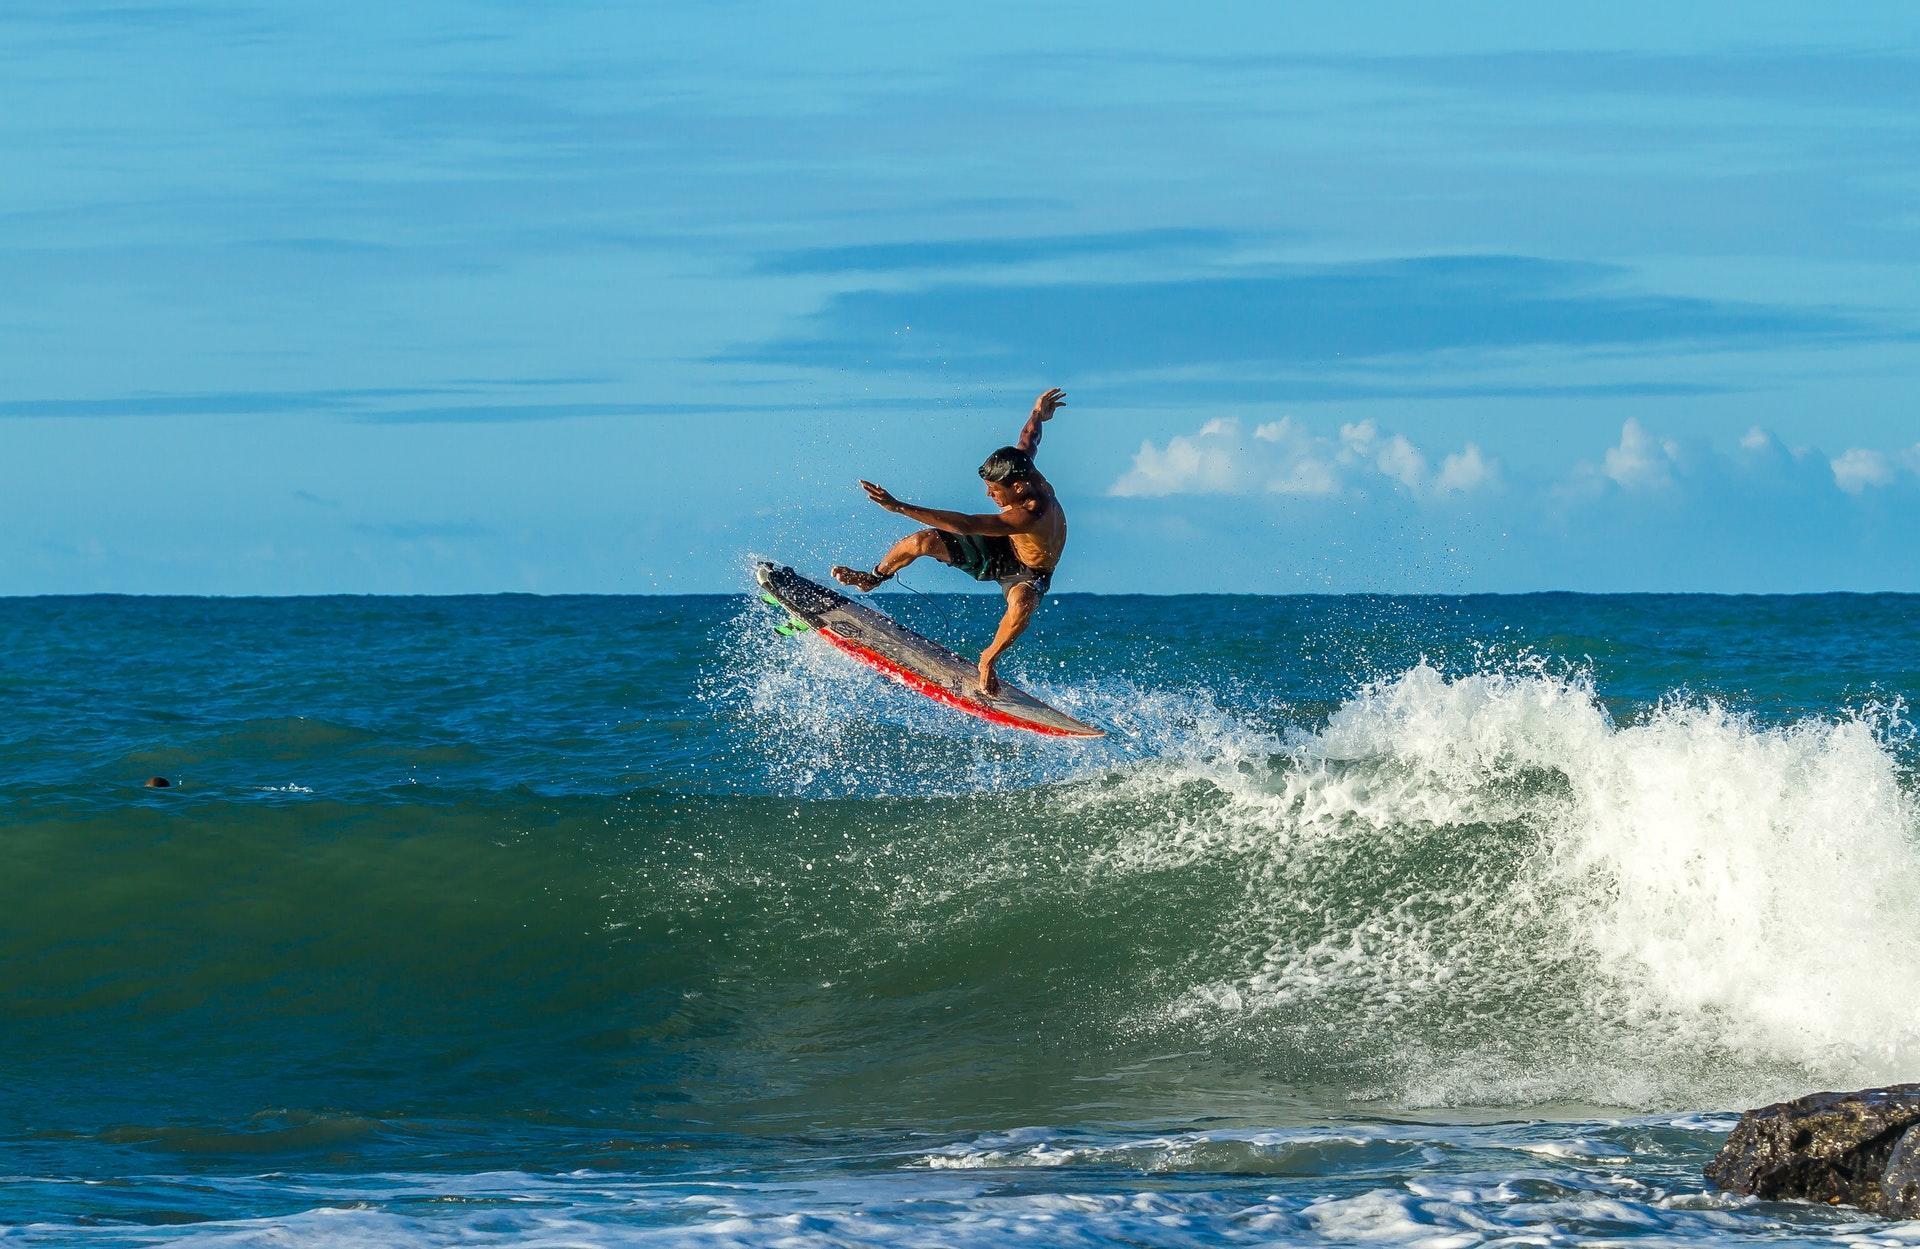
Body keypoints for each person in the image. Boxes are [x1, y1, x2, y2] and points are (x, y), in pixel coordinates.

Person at [833, 387, 1068, 694]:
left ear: (1019, 488)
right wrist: (1039, 413)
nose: (989, 495)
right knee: (924, 541)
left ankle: (988, 660)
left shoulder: (1030, 514)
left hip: (1030, 571)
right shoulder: (1021, 463)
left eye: (996, 491)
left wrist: (900, 506)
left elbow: (968, 524)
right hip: (1005, 546)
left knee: (1023, 603)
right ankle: (873, 578)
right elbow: (1029, 437)